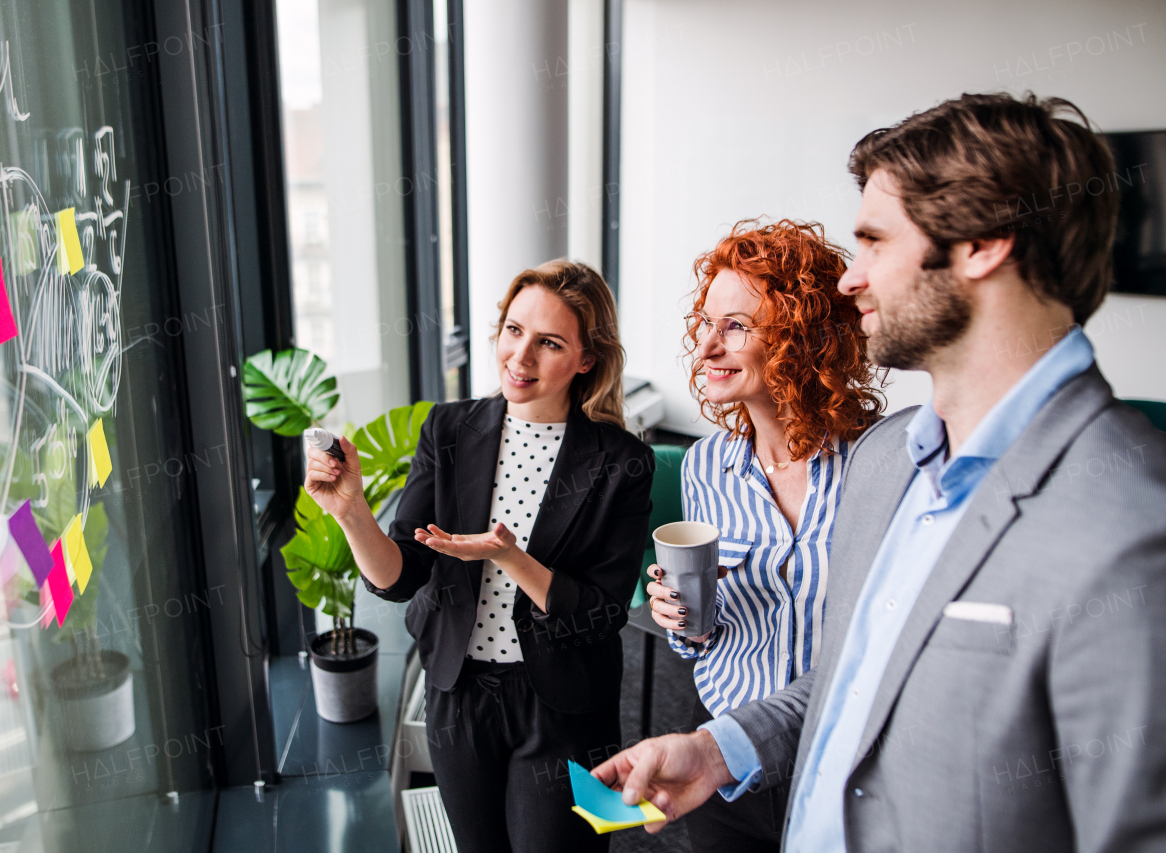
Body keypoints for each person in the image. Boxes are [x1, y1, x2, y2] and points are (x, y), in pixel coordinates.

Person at [594, 92, 1166, 852]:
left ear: (983, 244)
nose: (849, 280)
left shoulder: (1132, 528)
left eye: (874, 242)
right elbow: (848, 680)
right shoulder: (889, 463)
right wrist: (719, 747)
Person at [304, 259, 654, 853]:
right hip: (457, 692)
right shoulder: (448, 429)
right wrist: (350, 511)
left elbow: (602, 613)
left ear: (586, 359)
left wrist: (509, 558)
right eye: (514, 331)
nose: (520, 357)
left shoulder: (622, 460)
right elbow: (398, 577)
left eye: (549, 343)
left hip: (565, 703)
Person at [643, 220, 880, 852]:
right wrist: (680, 617)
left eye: (736, 327)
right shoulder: (705, 467)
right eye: (706, 325)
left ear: (800, 338)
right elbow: (703, 638)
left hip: (844, 758)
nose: (707, 349)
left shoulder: (878, 463)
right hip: (723, 746)